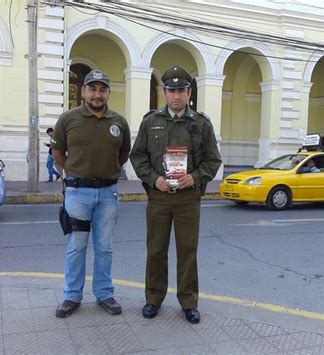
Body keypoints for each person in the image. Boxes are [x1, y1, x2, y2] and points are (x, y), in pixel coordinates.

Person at [129, 65, 222, 324]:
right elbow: (138, 157)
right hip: (159, 197)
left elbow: (213, 161)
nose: (176, 96)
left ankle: (189, 301)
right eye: (171, 91)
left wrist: (195, 177)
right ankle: (153, 298)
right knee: (156, 250)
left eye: (181, 90)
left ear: (189, 92)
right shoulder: (151, 122)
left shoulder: (201, 124)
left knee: (187, 251)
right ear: (164, 93)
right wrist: (153, 179)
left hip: (188, 198)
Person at [52, 69, 131, 318]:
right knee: (76, 246)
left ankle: (104, 293)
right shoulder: (68, 119)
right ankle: (72, 296)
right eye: (93, 89)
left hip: (108, 193)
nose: (98, 94)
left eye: (102, 89)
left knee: (104, 247)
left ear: (108, 93)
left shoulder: (119, 121)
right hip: (78, 194)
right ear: (83, 91)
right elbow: (58, 154)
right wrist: (78, 172)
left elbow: (123, 154)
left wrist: (105, 171)